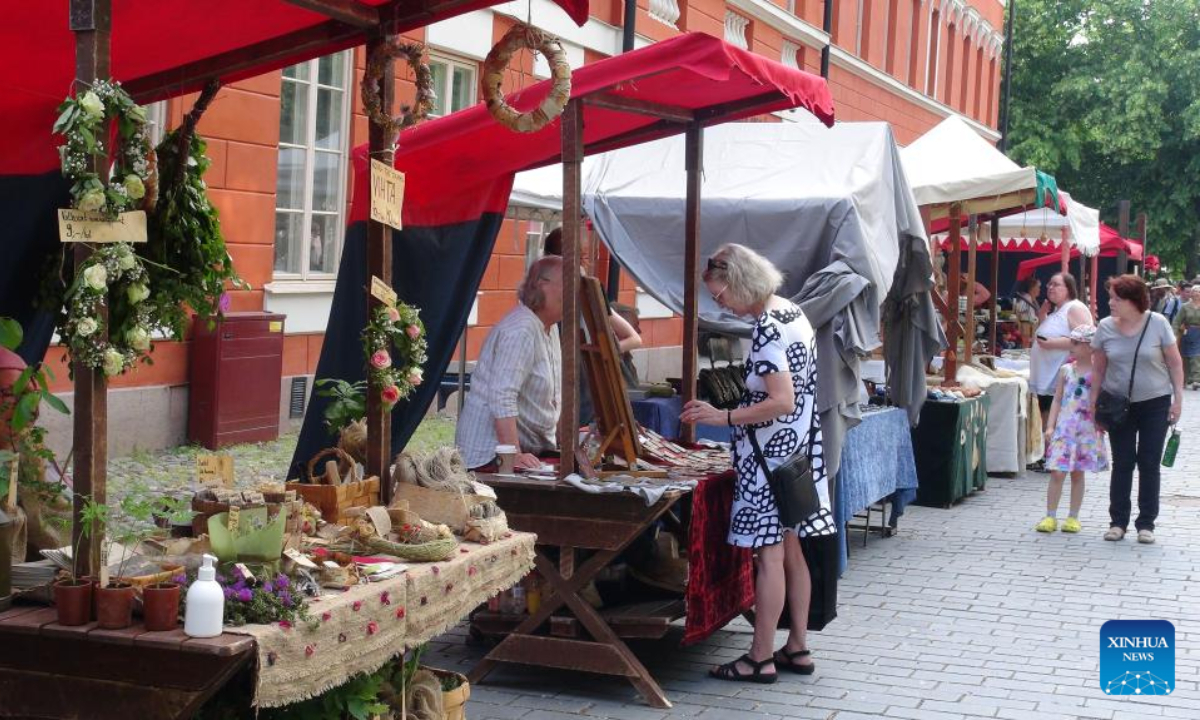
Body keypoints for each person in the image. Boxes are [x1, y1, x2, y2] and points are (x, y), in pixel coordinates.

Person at [679, 243, 834, 683]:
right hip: (796, 455)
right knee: (791, 549)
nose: (718, 301)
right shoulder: (792, 312)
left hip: (769, 460)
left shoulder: (768, 326)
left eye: (720, 293)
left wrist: (722, 416)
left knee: (769, 557)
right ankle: (797, 646)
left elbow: (780, 401)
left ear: (741, 282)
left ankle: (760, 656)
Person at [1090, 274, 1185, 544]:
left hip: (1155, 402)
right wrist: (1093, 402)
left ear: (1133, 301)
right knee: (1123, 462)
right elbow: (1098, 369)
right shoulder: (1105, 327)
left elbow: (1175, 364)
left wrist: (1178, 398)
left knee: (1149, 462)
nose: (1110, 303)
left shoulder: (1158, 324)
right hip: (1118, 404)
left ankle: (1146, 524)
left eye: (1116, 298)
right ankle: (1118, 522)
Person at [455, 256, 564, 470]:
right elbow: (502, 396)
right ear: (542, 285)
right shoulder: (521, 329)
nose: (576, 293)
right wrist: (513, 455)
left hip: (527, 450)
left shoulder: (549, 327)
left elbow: (552, 398)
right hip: (488, 457)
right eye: (569, 284)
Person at [1035, 325, 1107, 534]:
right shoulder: (1066, 370)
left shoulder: (1098, 373)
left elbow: (1102, 400)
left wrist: (1101, 423)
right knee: (1057, 472)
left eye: (1075, 343)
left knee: (1077, 474)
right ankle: (1050, 515)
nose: (1071, 346)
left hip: (1086, 430)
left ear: (1088, 346)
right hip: (1065, 428)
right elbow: (1057, 399)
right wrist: (1050, 426)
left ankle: (1073, 516)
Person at [1028, 273, 1091, 471]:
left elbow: (1086, 336)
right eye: (1049, 284)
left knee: (1054, 415)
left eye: (1056, 285)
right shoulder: (1059, 310)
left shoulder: (1075, 308)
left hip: (1061, 374)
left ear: (1069, 288)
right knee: (1047, 413)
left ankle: (1055, 457)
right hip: (1047, 374)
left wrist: (1052, 343)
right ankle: (1049, 455)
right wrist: (1042, 318)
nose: (1050, 288)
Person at [1172, 285, 1200, 390]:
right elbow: (1177, 321)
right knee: (1185, 356)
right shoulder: (1185, 306)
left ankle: (1197, 380)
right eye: (1195, 291)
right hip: (1187, 333)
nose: (1197, 293)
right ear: (1191, 294)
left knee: (1197, 356)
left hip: (1199, 334)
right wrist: (1174, 334)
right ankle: (1184, 380)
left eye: (1199, 291)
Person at [1012, 275, 1042, 347]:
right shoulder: (1026, 298)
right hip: (1027, 332)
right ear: (1031, 288)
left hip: (1031, 332)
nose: (1039, 289)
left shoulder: (1031, 299)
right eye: (1038, 287)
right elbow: (1021, 314)